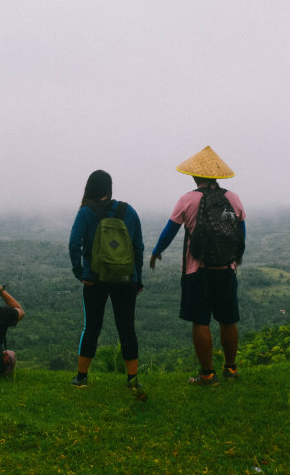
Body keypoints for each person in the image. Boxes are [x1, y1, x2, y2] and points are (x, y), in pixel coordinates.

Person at [149, 146, 246, 385]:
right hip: (226, 268)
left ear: (195, 175)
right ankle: (231, 369)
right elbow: (240, 232)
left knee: (201, 321)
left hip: (197, 271)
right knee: (228, 319)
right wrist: (236, 256)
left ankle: (207, 374)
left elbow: (169, 232)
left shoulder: (187, 200)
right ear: (216, 175)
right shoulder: (232, 198)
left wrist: (156, 252)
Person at [68, 170, 145, 389]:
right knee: (127, 327)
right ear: (109, 188)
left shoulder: (86, 212)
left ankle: (82, 377)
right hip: (125, 279)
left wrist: (80, 272)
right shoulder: (128, 211)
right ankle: (132, 380)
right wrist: (136, 278)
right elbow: (138, 246)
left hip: (94, 278)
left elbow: (74, 244)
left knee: (92, 326)